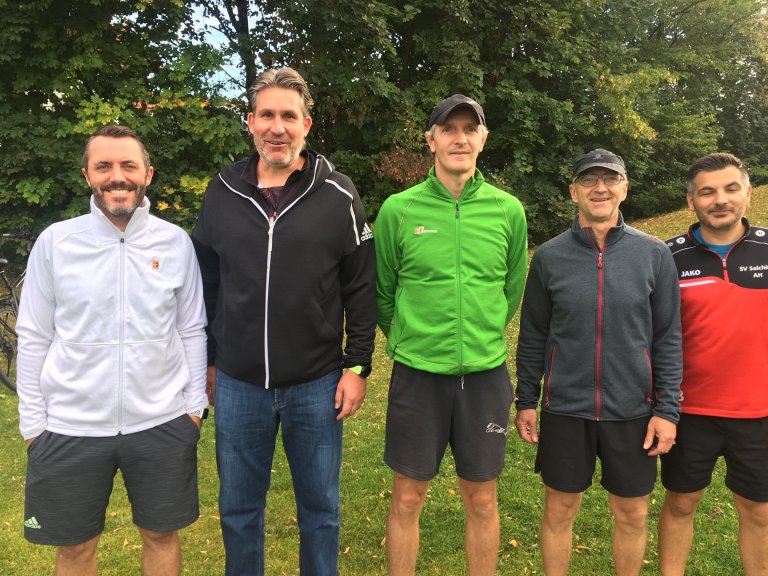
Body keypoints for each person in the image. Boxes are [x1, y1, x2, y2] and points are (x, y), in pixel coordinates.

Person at [191, 67, 376, 576]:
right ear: (250, 122)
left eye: (288, 116)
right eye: (267, 115)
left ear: (307, 125)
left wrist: (357, 366)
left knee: (321, 512)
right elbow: (204, 286)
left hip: (316, 384)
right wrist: (207, 361)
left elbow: (361, 285)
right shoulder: (223, 191)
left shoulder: (338, 194)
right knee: (238, 511)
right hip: (238, 382)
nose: (278, 127)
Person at [16, 125, 208, 576]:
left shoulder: (175, 243)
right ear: (87, 175)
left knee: (161, 536)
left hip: (160, 421)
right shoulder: (56, 243)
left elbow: (192, 329)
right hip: (70, 426)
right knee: (76, 548)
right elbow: (34, 335)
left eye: (128, 166)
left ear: (147, 174)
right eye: (104, 166)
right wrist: (34, 422)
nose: (116, 176)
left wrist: (193, 407)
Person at [375, 94, 528, 575]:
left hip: (485, 378)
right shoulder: (398, 210)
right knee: (406, 496)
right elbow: (383, 291)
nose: (459, 138)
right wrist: (413, 338)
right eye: (448, 129)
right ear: (431, 140)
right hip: (418, 376)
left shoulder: (508, 211)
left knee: (481, 498)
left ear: (483, 139)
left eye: (469, 129)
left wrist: (479, 333)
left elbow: (511, 289)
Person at [515, 148, 682, 576]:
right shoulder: (549, 257)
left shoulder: (654, 254)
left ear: (624, 188)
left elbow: (667, 336)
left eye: (610, 179)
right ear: (574, 192)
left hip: (633, 409)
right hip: (566, 409)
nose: (600, 188)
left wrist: (667, 410)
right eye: (589, 180)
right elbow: (533, 332)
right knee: (559, 510)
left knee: (631, 513)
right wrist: (526, 400)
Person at [658, 153, 768, 575]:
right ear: (691, 201)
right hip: (690, 410)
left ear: (747, 194)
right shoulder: (667, 257)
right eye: (707, 192)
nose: (719, 200)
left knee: (757, 510)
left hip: (758, 412)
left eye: (729, 188)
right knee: (681, 503)